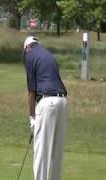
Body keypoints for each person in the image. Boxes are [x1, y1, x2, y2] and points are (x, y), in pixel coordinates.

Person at [23, 36, 67, 180]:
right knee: (56, 152)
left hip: (47, 103)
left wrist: (32, 118)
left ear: (26, 48)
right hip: (62, 102)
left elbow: (31, 91)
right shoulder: (47, 54)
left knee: (41, 152)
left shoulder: (29, 55)